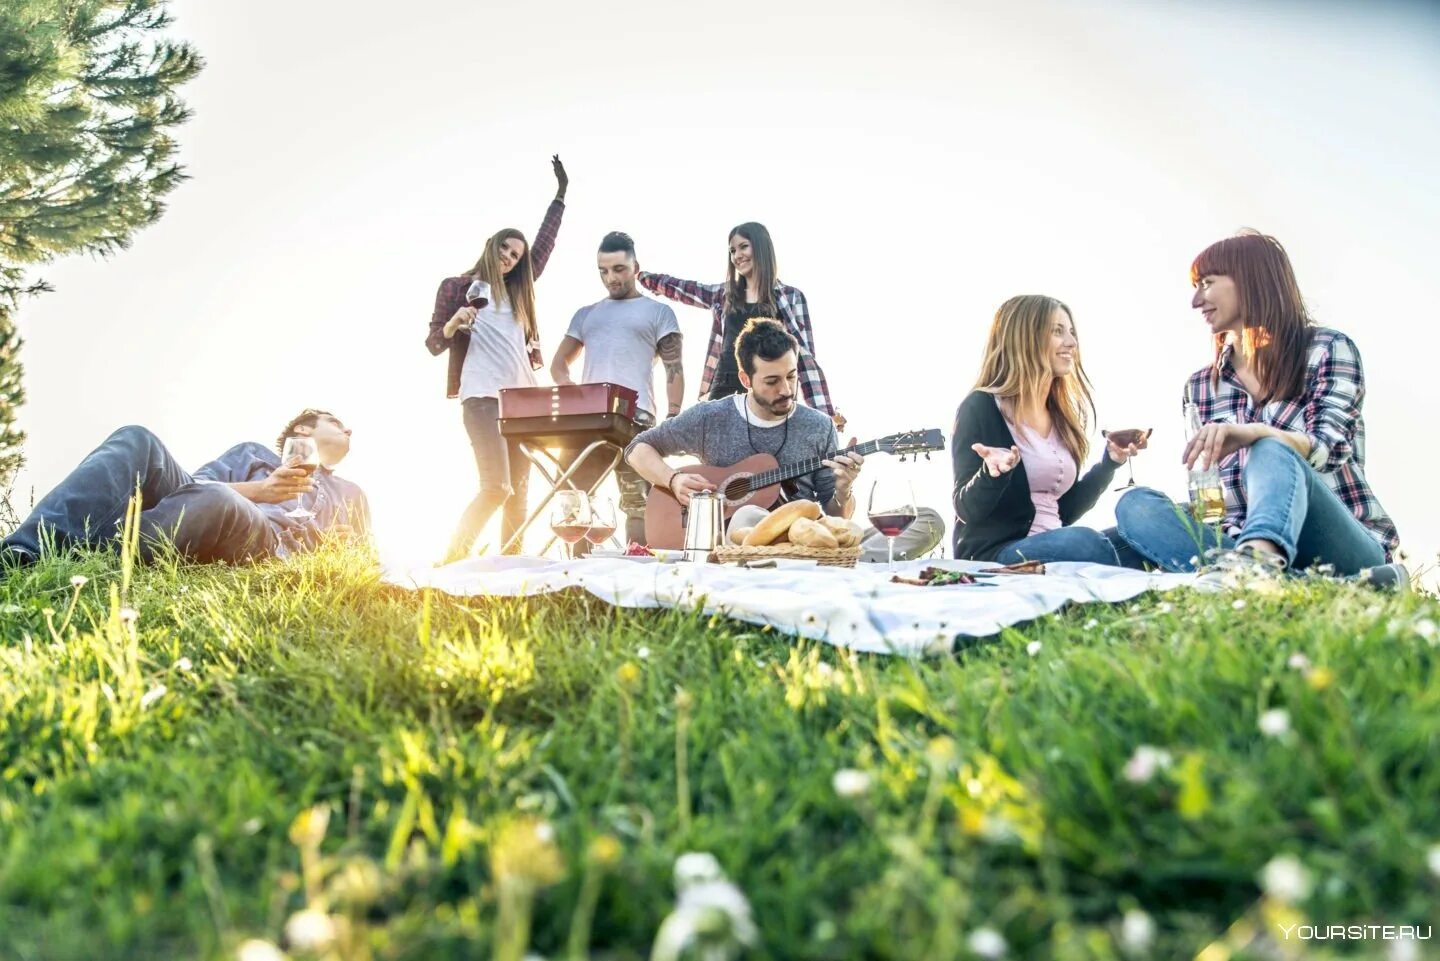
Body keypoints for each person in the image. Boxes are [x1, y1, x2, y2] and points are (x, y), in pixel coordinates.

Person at [1113, 231, 1403, 581]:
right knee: (1136, 506)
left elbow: (1330, 447)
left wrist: (1254, 434)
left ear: (1250, 280)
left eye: (1207, 283)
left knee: (1270, 448)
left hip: (1339, 542)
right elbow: (1212, 493)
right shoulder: (1201, 387)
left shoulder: (1327, 349)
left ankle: (1258, 567)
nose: (1196, 300)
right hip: (1238, 538)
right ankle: (1281, 578)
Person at [626, 319, 943, 562]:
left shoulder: (818, 426)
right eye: (772, 381)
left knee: (929, 521)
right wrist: (674, 479)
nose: (787, 390)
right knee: (746, 516)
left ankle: (819, 562)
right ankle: (833, 565)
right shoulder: (710, 417)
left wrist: (844, 488)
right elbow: (637, 449)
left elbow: (836, 516)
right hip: (733, 542)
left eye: (791, 376)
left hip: (807, 541)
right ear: (746, 379)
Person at [1, 410, 368, 567]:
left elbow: (363, 561)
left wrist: (338, 549)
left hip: (269, 543)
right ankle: (22, 554)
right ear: (302, 431)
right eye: (336, 423)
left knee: (217, 499)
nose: (347, 430)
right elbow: (192, 488)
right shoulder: (251, 454)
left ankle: (84, 561)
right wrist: (261, 491)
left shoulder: (351, 494)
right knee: (136, 438)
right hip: (216, 505)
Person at [426, 155, 567, 563]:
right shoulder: (458, 287)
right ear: (492, 245)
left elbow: (544, 244)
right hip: (482, 397)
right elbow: (434, 343)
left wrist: (560, 196)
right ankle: (451, 561)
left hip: (524, 402)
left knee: (518, 496)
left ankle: (510, 570)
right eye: (505, 248)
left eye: (516, 255)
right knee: (496, 486)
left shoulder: (519, 292)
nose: (510, 257)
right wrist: (455, 322)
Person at [951, 295, 1144, 564]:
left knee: (1148, 529)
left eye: (1072, 333)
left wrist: (1110, 463)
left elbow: (1062, 511)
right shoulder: (981, 406)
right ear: (1024, 337)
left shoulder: (1059, 415)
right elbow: (966, 509)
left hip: (1056, 544)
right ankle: (1112, 578)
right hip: (999, 554)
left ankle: (1210, 578)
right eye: (1057, 331)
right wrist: (991, 473)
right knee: (1085, 542)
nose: (1072, 343)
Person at [637, 222, 845, 428]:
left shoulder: (790, 298)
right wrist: (641, 277)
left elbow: (803, 359)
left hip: (769, 390)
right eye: (732, 250)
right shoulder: (724, 295)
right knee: (718, 456)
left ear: (761, 247)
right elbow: (683, 288)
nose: (737, 256)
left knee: (765, 459)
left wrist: (823, 416)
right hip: (725, 388)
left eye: (743, 246)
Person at [549, 231, 683, 549]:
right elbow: (558, 363)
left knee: (637, 500)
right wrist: (571, 390)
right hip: (589, 418)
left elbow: (674, 367)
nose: (611, 277)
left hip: (636, 418)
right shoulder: (586, 314)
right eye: (603, 270)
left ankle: (637, 573)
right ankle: (577, 574)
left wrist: (674, 413)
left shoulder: (658, 312)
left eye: (619, 269)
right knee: (570, 496)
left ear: (636, 267)